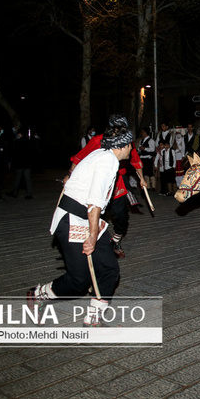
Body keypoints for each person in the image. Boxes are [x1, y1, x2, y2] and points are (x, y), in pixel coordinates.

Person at [27, 121, 134, 327]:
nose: (131, 148)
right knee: (79, 280)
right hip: (73, 220)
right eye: (130, 144)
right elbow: (94, 202)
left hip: (88, 219)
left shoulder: (102, 156)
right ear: (121, 146)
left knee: (109, 269)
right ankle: (39, 294)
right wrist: (92, 237)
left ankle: (93, 320)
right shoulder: (107, 161)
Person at [65, 115, 147, 259]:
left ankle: (115, 241)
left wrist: (142, 179)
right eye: (117, 129)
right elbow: (79, 157)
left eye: (123, 129)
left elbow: (135, 160)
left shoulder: (126, 141)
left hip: (118, 182)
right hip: (98, 181)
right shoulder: (98, 141)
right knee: (96, 210)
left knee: (121, 216)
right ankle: (91, 241)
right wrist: (70, 174)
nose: (120, 132)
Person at [7, 126, 40, 199]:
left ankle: (15, 193)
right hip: (27, 164)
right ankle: (29, 194)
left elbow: (14, 153)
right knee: (27, 180)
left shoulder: (18, 142)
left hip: (20, 164)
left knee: (17, 179)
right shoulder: (28, 141)